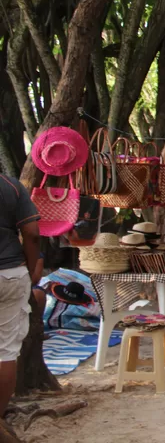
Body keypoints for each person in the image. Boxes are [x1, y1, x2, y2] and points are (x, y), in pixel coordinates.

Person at [0, 174, 42, 418]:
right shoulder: (10, 186)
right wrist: (30, 264)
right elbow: (32, 233)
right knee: (4, 351)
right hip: (9, 274)